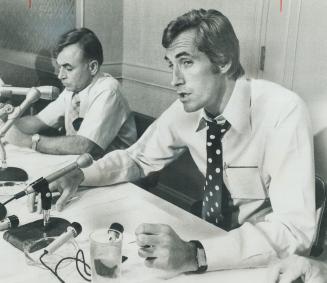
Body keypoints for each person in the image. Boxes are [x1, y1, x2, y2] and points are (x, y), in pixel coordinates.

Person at [36, 9, 316, 273]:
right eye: (171, 65)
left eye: (186, 62)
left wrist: (198, 254)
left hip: (265, 259)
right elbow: (137, 158)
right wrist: (81, 174)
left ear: (223, 61)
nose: (174, 79)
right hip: (209, 239)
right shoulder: (189, 109)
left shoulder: (283, 111)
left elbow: (294, 230)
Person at [5, 28, 137, 158]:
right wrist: (6, 127)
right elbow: (38, 121)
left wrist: (28, 141)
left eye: (68, 68)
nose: (60, 75)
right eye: (60, 67)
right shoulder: (73, 90)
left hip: (113, 171)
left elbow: (84, 146)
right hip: (80, 164)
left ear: (92, 67)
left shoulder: (109, 90)